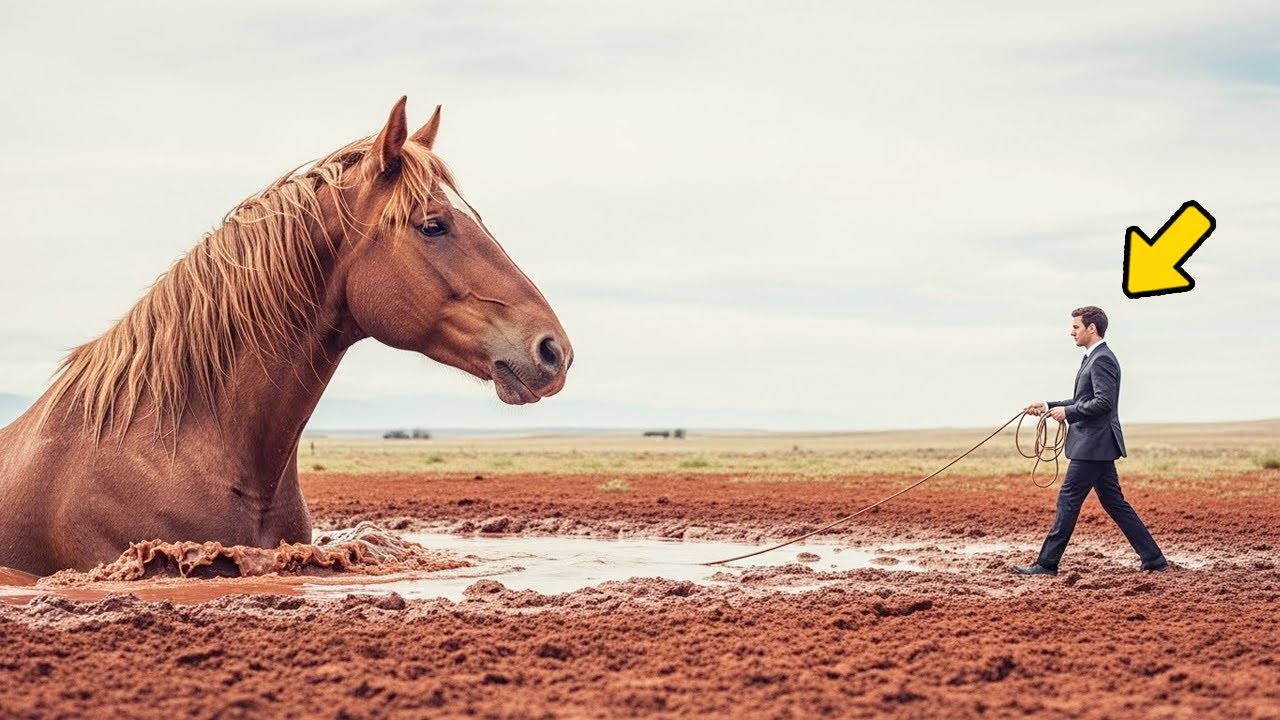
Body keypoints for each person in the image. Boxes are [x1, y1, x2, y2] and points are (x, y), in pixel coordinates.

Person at [1014, 306, 1168, 576]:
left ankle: (1046, 564)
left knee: (1068, 500)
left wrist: (1068, 413)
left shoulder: (1102, 360)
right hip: (1096, 445)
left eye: (1075, 327)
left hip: (1093, 445)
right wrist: (1048, 405)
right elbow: (1085, 399)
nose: (1071, 332)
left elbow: (1103, 403)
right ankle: (1153, 558)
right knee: (1114, 503)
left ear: (1091, 328)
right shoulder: (1092, 358)